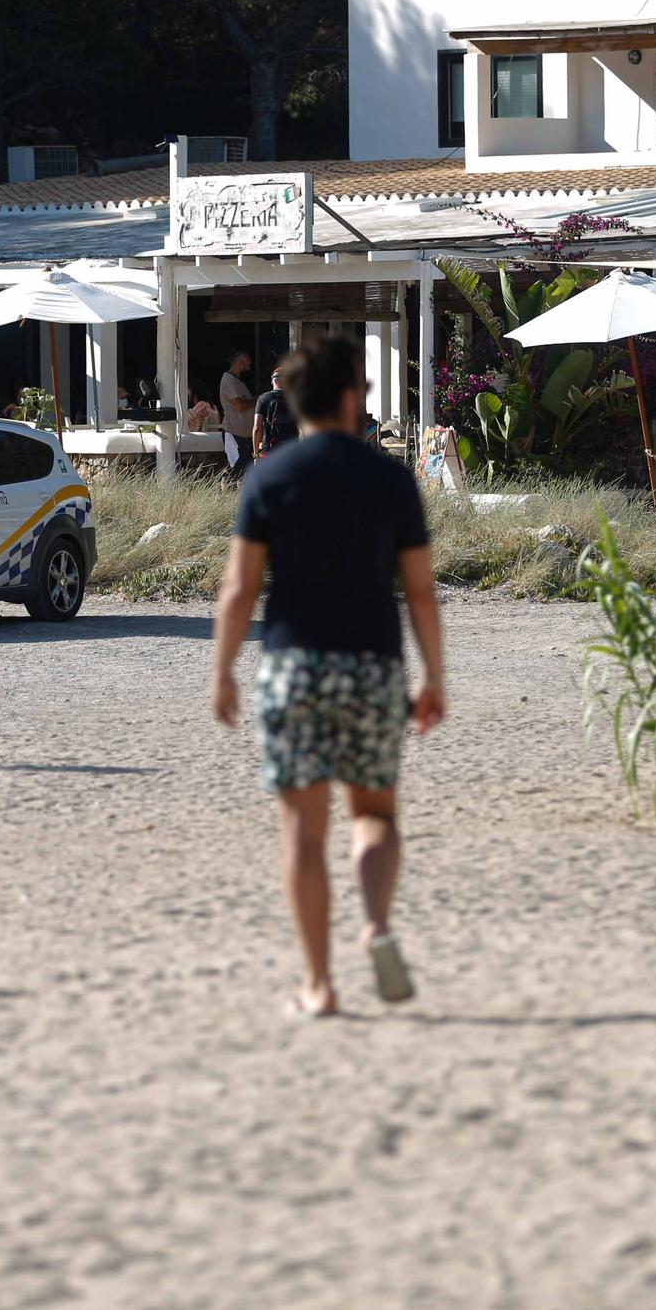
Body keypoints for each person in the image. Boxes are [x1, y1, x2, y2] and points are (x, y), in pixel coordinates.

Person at [208, 335, 446, 1017]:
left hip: (293, 666)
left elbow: (237, 591)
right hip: (372, 665)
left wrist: (223, 673)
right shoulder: (390, 480)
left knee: (303, 834)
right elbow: (422, 593)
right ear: (350, 397)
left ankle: (319, 984)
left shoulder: (268, 480)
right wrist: (434, 675)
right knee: (373, 815)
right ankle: (374, 922)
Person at [219, 348, 256, 478]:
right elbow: (239, 406)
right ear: (241, 363)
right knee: (234, 468)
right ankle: (225, 494)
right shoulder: (228, 380)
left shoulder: (237, 381)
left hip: (243, 435)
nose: (248, 368)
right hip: (234, 433)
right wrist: (257, 401)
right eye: (247, 365)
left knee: (244, 469)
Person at [251, 362, 297, 461]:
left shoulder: (263, 398)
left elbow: (257, 428)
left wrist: (256, 456)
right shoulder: (295, 398)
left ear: (272, 382)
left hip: (268, 450)